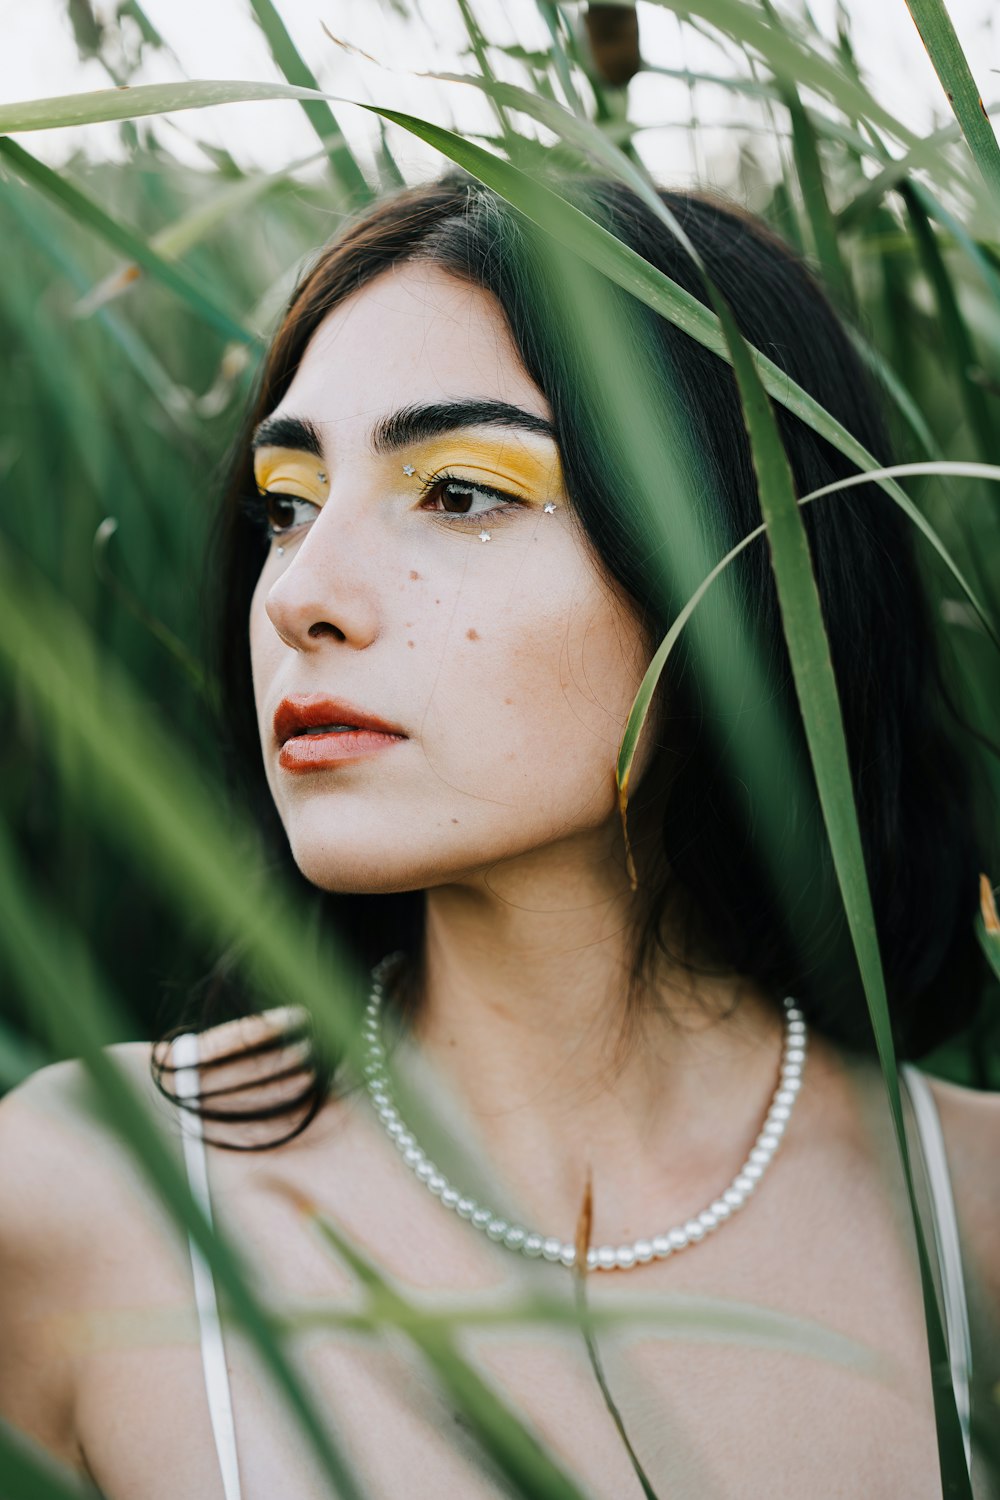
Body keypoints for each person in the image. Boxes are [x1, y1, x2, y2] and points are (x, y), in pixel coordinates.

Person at [0, 167, 998, 1499]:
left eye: (461, 492)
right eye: (285, 505)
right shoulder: (87, 1198)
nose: (302, 593)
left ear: (744, 568)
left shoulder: (976, 1229)